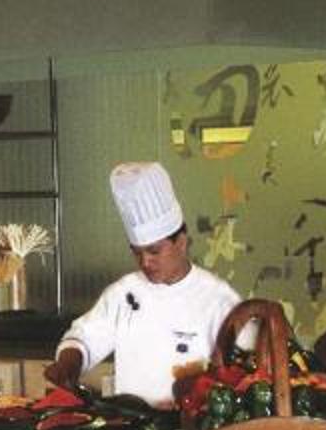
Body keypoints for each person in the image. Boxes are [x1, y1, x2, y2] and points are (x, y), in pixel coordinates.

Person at [48, 163, 240, 405]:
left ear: (181, 242)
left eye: (154, 251)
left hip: (193, 424)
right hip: (131, 422)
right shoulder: (124, 293)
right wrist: (68, 366)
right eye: (137, 252)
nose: (145, 262)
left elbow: (245, 372)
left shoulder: (218, 299)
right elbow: (84, 338)